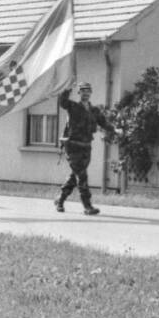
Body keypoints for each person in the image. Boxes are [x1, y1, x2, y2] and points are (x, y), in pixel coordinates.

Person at [55, 81, 119, 216]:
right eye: (82, 90)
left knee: (75, 175)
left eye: (88, 90)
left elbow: (103, 122)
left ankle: (60, 200)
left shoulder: (94, 110)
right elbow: (62, 102)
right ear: (78, 93)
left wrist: (115, 130)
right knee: (82, 176)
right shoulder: (72, 106)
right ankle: (87, 206)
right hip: (73, 146)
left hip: (86, 147)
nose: (85, 93)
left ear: (91, 93)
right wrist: (67, 88)